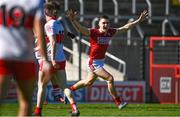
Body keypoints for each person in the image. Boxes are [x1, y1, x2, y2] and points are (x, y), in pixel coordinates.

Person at [67, 9, 148, 110]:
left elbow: (125, 28)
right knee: (110, 79)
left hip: (100, 62)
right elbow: (81, 29)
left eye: (107, 23)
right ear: (99, 24)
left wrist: (138, 20)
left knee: (88, 82)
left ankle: (69, 90)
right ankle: (119, 102)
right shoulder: (94, 32)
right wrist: (73, 20)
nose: (106, 25)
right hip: (93, 62)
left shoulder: (110, 32)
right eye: (103, 23)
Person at [0, 0, 50, 116]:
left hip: (3, 54)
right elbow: (39, 32)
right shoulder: (35, 1)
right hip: (24, 56)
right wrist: (46, 61)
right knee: (26, 101)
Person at [33, 2, 80, 116]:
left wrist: (52, 59)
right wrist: (70, 34)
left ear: (47, 11)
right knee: (65, 86)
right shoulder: (59, 23)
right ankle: (74, 108)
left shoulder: (49, 25)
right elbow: (58, 36)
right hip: (61, 59)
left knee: (41, 86)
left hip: (49, 58)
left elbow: (52, 41)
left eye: (44, 10)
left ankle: (38, 111)